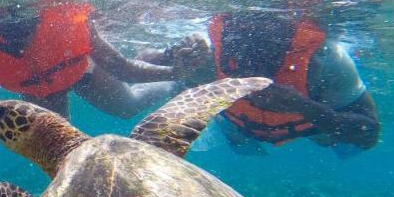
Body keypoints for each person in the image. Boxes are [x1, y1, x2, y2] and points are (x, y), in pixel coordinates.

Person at [0, 0, 204, 119]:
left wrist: (173, 73)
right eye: (2, 24)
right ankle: (162, 66)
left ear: (40, 15)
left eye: (23, 22)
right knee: (62, 150)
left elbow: (124, 70)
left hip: (82, 70)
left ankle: (173, 84)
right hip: (38, 91)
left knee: (128, 106)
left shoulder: (67, 24)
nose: (14, 27)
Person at [142, 10, 380, 151]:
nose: (250, 70)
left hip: (308, 128)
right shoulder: (209, 52)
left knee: (327, 141)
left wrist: (304, 107)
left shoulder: (327, 60)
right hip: (235, 123)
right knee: (227, 130)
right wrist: (174, 59)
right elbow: (142, 60)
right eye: (238, 60)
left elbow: (369, 134)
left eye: (264, 59)